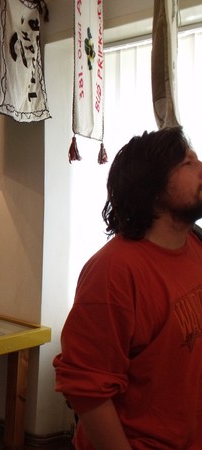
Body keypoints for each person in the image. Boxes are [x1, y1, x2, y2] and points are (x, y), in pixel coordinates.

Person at [54, 127, 202, 450]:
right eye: (188, 163)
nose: (200, 168)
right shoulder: (114, 271)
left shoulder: (195, 244)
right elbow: (85, 388)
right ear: (153, 188)